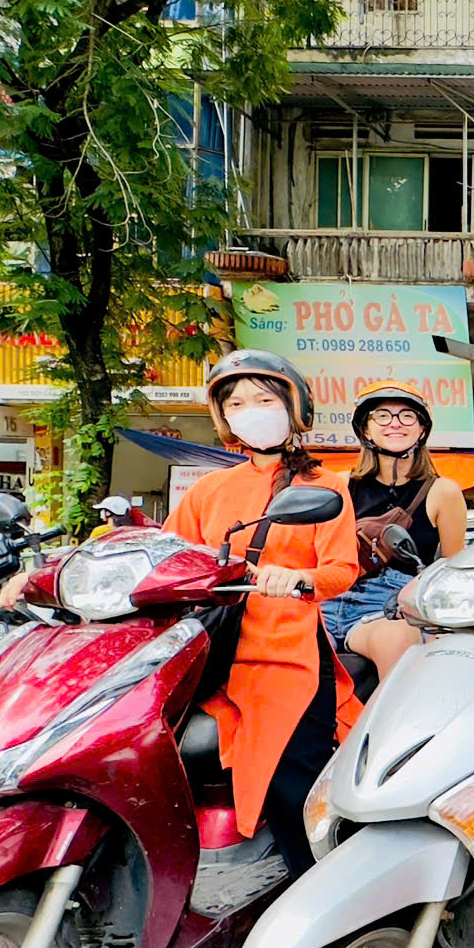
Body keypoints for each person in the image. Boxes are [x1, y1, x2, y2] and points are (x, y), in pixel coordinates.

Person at [168, 350, 361, 879]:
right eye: (236, 404)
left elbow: (341, 570)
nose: (249, 411)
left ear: (293, 408)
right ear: (223, 418)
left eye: (263, 400)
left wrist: (295, 579)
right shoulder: (208, 490)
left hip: (287, 655)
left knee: (291, 790)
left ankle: (324, 896)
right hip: (215, 654)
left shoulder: (326, 486)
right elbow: (165, 555)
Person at [322, 382, 469, 683]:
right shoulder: (339, 484)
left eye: (407, 416)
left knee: (397, 640)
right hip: (330, 597)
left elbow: (453, 570)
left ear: (422, 430)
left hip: (391, 607)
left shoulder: (442, 492)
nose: (395, 423)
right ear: (365, 429)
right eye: (382, 415)